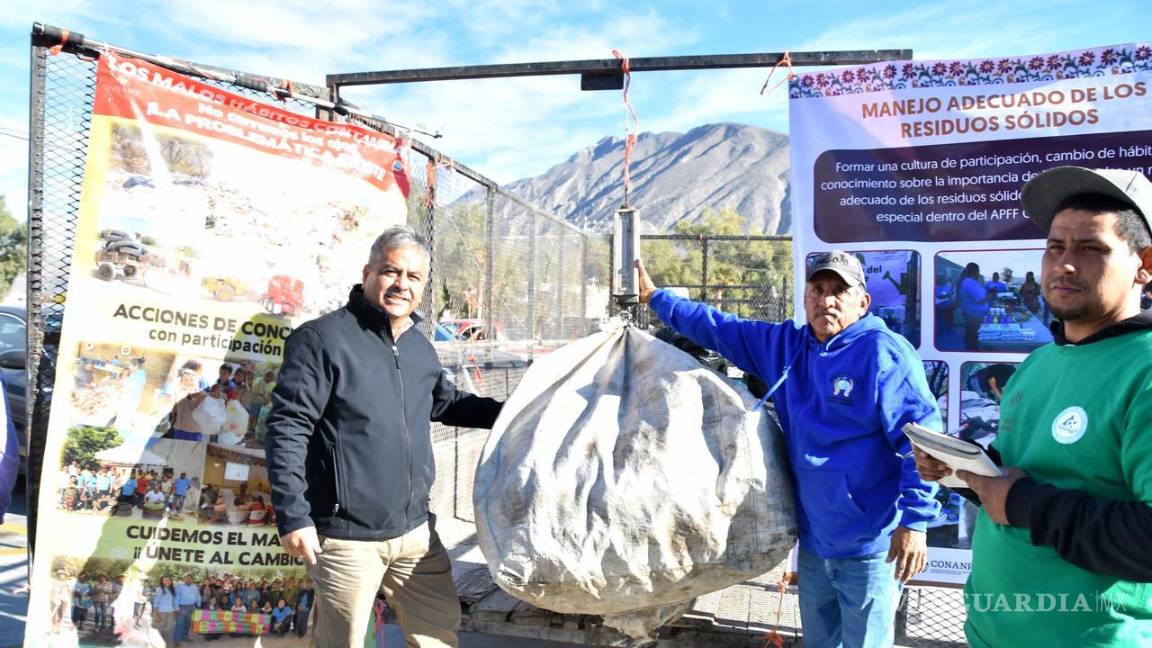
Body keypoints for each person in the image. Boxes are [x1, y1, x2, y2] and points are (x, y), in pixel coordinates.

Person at [636, 250, 940, 648]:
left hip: (871, 549)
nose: (826, 300)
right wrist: (655, 298)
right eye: (817, 290)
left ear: (862, 302)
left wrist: (915, 523)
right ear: (805, 298)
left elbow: (920, 442)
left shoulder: (883, 353)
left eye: (839, 291)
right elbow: (718, 327)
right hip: (814, 545)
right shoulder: (786, 347)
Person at [915, 166, 1152, 646]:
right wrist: (963, 471)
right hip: (988, 632)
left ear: (1145, 264)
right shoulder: (1039, 362)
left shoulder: (1144, 369)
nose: (1064, 264)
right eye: (1054, 247)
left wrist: (1023, 503)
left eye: (1090, 249)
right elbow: (1021, 475)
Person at [266, 226, 503, 648]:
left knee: (438, 637)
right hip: (345, 540)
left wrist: (516, 412)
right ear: (368, 272)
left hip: (415, 535)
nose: (402, 284)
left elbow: (446, 403)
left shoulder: (417, 345)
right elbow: (288, 427)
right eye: (392, 272)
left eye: (413, 277)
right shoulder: (322, 340)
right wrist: (293, 515)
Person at [958, 262, 991, 350]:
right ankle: (973, 352)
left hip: (972, 313)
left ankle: (971, 348)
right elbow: (981, 301)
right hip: (974, 315)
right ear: (976, 271)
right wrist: (991, 295)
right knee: (973, 335)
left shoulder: (970, 282)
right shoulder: (970, 283)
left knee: (971, 333)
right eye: (978, 271)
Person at [174, 572, 201, 644]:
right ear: (184, 579)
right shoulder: (179, 586)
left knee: (188, 623)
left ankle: (185, 637)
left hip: (192, 607)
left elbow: (197, 595)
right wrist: (176, 607)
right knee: (180, 624)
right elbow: (176, 597)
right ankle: (177, 641)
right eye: (186, 578)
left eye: (190, 578)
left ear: (192, 579)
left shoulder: (194, 586)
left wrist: (198, 605)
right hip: (182, 607)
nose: (188, 579)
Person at [152, 576, 178, 646]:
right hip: (161, 612)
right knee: (159, 630)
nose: (167, 581)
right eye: (165, 580)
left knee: (169, 630)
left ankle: (168, 645)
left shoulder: (171, 589)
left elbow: (173, 602)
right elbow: (156, 602)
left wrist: (175, 611)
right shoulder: (159, 589)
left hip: (170, 612)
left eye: (169, 580)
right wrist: (156, 615)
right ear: (162, 581)